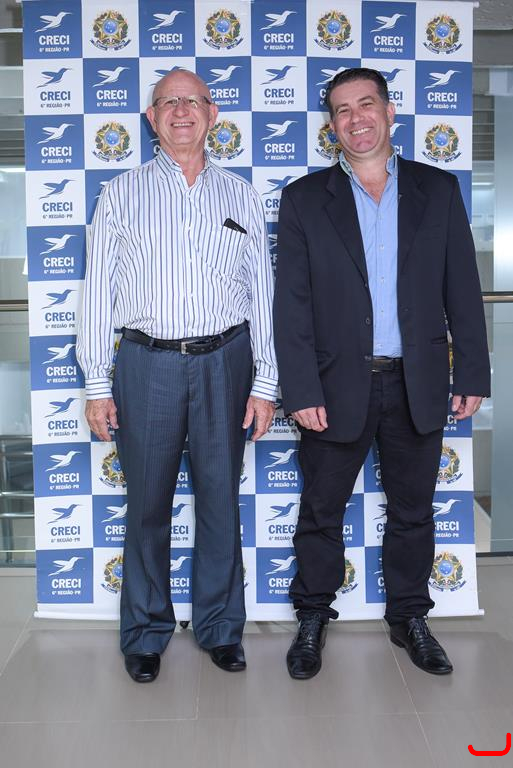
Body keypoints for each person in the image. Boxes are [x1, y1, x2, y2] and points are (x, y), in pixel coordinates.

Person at [273, 67, 490, 680]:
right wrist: (301, 389)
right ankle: (312, 615)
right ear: (332, 126)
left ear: (389, 113)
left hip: (417, 381)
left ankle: (410, 617)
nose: (356, 119)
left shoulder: (438, 190)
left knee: (414, 511)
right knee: (321, 510)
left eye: (366, 104)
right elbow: (291, 305)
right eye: (342, 110)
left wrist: (472, 372)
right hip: (333, 384)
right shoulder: (304, 198)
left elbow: (462, 288)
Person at [77, 69, 277, 682]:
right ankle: (145, 631)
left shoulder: (242, 196)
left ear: (213, 114)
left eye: (193, 101)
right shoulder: (120, 194)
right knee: (147, 504)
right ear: (151, 118)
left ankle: (220, 627)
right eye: (169, 102)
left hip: (226, 361)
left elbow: (262, 294)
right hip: (147, 364)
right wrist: (96, 384)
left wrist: (265, 381)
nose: (181, 111)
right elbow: (97, 292)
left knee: (220, 499)